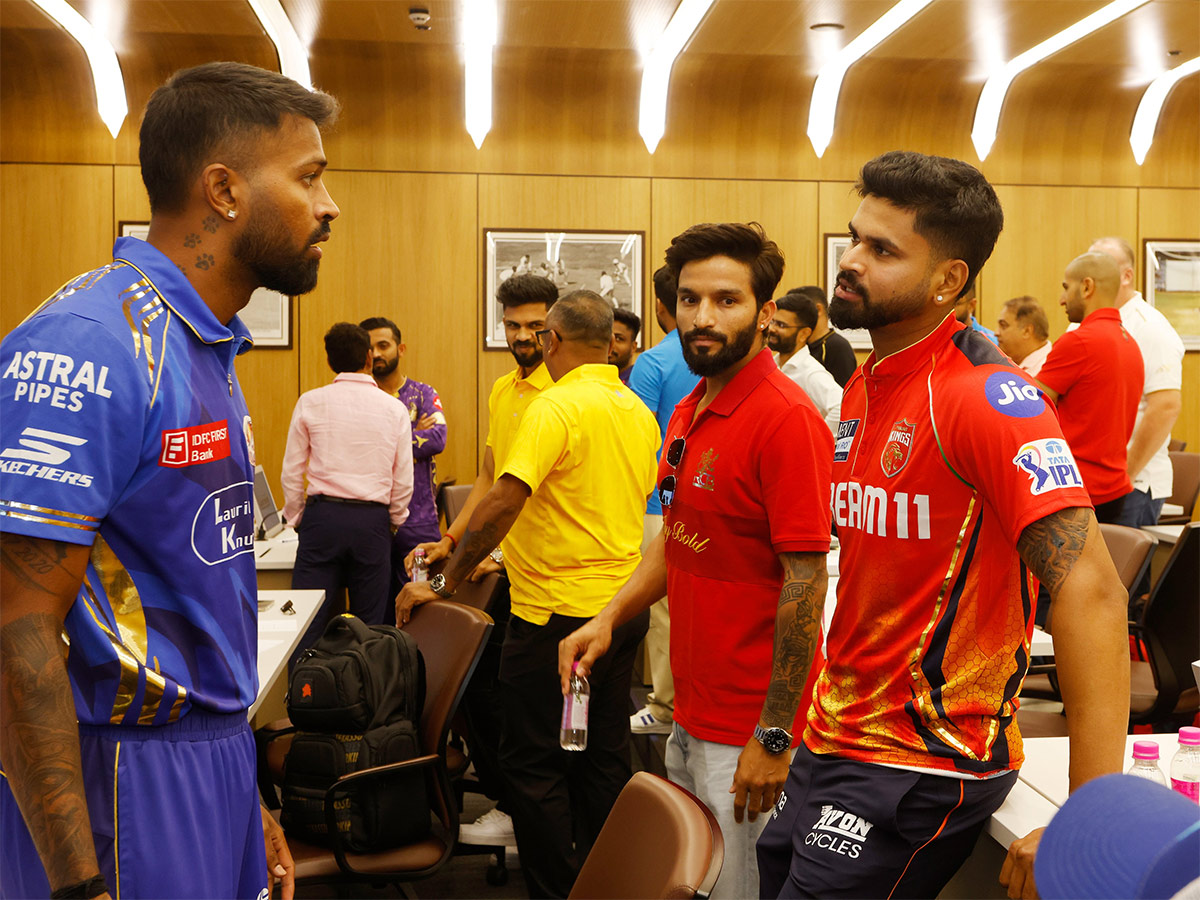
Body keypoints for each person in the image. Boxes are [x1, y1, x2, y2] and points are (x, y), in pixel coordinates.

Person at [0, 60, 340, 900]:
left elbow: (202, 597)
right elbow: (15, 634)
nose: (328, 206)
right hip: (118, 774)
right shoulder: (91, 343)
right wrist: (78, 883)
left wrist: (242, 792)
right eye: (309, 178)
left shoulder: (205, 341)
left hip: (208, 759)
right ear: (224, 190)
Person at [751, 151, 1129, 900]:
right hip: (832, 735)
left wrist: (1090, 816)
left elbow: (1092, 591)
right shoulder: (867, 381)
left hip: (920, 758)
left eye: (883, 250)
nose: (851, 261)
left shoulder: (989, 400)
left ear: (948, 280)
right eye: (855, 238)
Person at [560, 223, 834, 900]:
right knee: (697, 885)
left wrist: (773, 735)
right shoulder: (690, 407)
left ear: (765, 314)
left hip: (747, 726)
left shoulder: (785, 419)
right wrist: (611, 616)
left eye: (726, 300)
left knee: (738, 891)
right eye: (689, 300)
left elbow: (807, 580)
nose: (703, 318)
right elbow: (676, 537)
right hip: (690, 711)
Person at [399, 290, 660, 899]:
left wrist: (442, 583)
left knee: (533, 760)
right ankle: (607, 882)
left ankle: (558, 888)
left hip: (555, 619)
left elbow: (502, 503)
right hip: (619, 612)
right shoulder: (636, 409)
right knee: (602, 755)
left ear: (553, 341)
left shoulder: (555, 405)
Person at [406, 272, 559, 850]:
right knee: (483, 694)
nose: (522, 336)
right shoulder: (504, 390)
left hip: (540, 574)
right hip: (503, 568)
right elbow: (490, 479)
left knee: (516, 706)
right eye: (513, 325)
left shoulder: (560, 395)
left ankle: (525, 815)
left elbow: (527, 495)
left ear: (554, 328)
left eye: (534, 326)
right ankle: (510, 803)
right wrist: (451, 540)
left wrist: (468, 563)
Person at [281, 322, 413, 659]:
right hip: (372, 523)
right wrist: (394, 520)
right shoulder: (394, 409)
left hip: (323, 518)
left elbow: (293, 470)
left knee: (308, 621)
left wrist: (297, 517)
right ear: (369, 358)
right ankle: (365, 704)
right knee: (369, 626)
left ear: (329, 361)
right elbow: (403, 478)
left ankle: (302, 702)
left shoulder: (310, 402)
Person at [626, 266, 700, 736]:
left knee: (662, 610)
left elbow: (635, 437)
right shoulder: (713, 355)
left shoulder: (653, 361)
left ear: (659, 306)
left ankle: (664, 704)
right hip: (704, 501)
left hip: (658, 503)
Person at [1034, 252, 1144, 525]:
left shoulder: (1079, 342)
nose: (1061, 299)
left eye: (1065, 287)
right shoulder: (1131, 344)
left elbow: (1029, 410)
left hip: (1077, 493)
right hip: (1114, 490)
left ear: (1086, 287)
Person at [1089, 236, 1185, 528]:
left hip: (1133, 484)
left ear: (1126, 276)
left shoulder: (1150, 328)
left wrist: (1125, 474)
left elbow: (1166, 406)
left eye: (1101, 267)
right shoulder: (1088, 322)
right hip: (1094, 479)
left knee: (1122, 573)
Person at [359, 315, 446, 606]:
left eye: (384, 345)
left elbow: (437, 439)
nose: (377, 354)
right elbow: (358, 447)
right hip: (371, 519)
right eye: (370, 348)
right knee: (376, 606)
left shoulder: (423, 393)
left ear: (401, 348)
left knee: (423, 603)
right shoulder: (358, 398)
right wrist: (412, 434)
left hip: (419, 520)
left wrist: (384, 442)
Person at [767, 292, 842, 434]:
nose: (772, 329)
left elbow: (840, 406)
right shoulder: (773, 365)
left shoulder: (810, 372)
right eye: (773, 322)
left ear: (804, 334)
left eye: (781, 325)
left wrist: (818, 438)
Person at [792, 285, 857, 386]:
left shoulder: (838, 347)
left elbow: (843, 395)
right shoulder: (801, 346)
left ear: (818, 310)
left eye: (796, 313)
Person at [995, 295, 1053, 375]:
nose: (996, 333)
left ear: (1027, 331)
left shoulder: (1047, 369)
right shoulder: (1004, 363)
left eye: (1003, 325)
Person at [610, 306, 640, 384]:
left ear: (633, 347)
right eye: (607, 338)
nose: (611, 344)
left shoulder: (639, 382)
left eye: (619, 339)